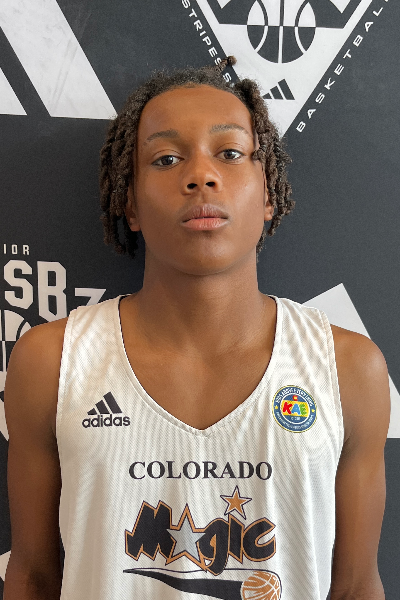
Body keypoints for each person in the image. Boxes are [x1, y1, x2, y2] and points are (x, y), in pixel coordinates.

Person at [3, 57, 390, 600]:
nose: (201, 176)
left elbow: (355, 587)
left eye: (229, 153)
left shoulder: (347, 369)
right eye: (166, 159)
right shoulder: (53, 362)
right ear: (130, 203)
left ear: (268, 193)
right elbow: (33, 577)